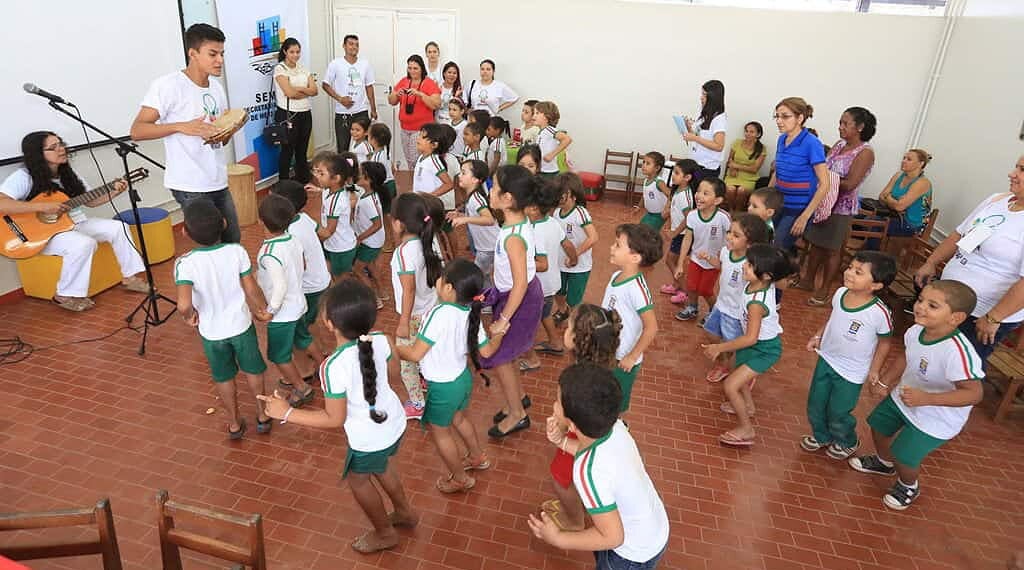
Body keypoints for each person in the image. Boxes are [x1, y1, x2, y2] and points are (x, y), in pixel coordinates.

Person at [258, 280, 416, 552]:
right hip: (393, 421)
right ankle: (404, 512)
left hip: (369, 437)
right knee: (382, 464)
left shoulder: (333, 366)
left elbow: (334, 418)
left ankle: (385, 533)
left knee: (358, 480)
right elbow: (393, 378)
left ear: (329, 323)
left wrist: (287, 413)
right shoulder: (382, 340)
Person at [848, 280, 984, 511]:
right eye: (921, 300)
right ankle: (883, 463)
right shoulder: (916, 331)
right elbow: (907, 357)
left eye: (933, 306)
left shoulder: (957, 352)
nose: (921, 307)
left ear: (956, 318)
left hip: (936, 416)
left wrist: (927, 399)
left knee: (904, 454)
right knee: (878, 427)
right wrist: (885, 381)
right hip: (906, 396)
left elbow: (974, 394)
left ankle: (908, 484)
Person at [527, 363, 670, 570]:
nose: (554, 404)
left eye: (558, 401)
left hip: (629, 556)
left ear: (573, 425)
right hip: (654, 530)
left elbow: (612, 537)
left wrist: (558, 538)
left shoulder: (587, 472)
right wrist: (562, 442)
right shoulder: (616, 427)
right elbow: (595, 452)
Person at [0, 132, 148, 311]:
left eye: (60, 144)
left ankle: (130, 277)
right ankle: (63, 294)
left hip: (73, 223)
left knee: (119, 227)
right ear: (37, 154)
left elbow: (91, 201)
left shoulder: (68, 173)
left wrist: (116, 190)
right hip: (38, 236)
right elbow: (2, 204)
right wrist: (41, 207)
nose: (61, 149)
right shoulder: (24, 176)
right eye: (52, 147)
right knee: (84, 244)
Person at [395, 260, 501, 493]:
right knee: (459, 419)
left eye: (442, 278)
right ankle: (476, 457)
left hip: (442, 387)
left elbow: (414, 354)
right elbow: (486, 351)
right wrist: (499, 334)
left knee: (440, 432)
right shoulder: (470, 313)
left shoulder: (438, 313)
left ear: (449, 288)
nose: (438, 281)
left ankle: (460, 478)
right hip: (461, 380)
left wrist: (393, 348)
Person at [131, 23, 240, 244]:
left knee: (232, 241)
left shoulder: (216, 88)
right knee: (212, 249)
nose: (220, 60)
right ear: (193, 53)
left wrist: (230, 129)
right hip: (190, 186)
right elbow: (137, 130)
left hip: (218, 180)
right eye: (213, 54)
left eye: (222, 54)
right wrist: (181, 126)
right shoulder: (168, 86)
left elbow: (219, 140)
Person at [174, 199, 271, 439]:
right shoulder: (236, 251)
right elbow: (250, 288)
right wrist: (262, 308)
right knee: (253, 370)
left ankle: (234, 423)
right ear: (224, 223)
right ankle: (262, 415)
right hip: (241, 326)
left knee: (223, 376)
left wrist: (189, 317)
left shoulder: (185, 264)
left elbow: (183, 304)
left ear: (185, 232)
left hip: (211, 333)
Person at [914, 156, 1024, 362]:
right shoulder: (997, 200)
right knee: (928, 357)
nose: (1012, 174)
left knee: (958, 368)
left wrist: (994, 317)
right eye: (1016, 167)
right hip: (951, 298)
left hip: (982, 313)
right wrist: (931, 262)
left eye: (1022, 169)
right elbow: (959, 234)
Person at [801, 251, 896, 460]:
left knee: (839, 410)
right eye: (850, 267)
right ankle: (821, 435)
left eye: (858, 272)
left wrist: (874, 370)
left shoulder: (879, 313)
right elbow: (833, 317)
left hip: (852, 371)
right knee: (816, 402)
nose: (849, 273)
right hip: (827, 358)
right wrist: (818, 335)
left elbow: (885, 343)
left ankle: (847, 441)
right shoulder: (840, 293)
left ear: (876, 285)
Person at [703, 244, 797, 446]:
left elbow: (750, 338)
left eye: (750, 265)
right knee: (740, 378)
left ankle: (747, 429)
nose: (744, 266)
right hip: (754, 346)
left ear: (766, 276)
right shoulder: (761, 284)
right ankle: (749, 406)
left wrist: (719, 347)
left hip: (764, 349)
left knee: (730, 385)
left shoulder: (756, 303)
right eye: (747, 262)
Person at [540, 304, 621, 532]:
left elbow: (566, 418)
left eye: (569, 327)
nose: (565, 328)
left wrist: (559, 424)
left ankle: (574, 520)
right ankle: (576, 505)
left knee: (560, 478)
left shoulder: (572, 380)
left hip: (578, 436)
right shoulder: (604, 367)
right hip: (598, 432)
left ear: (578, 339)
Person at [483, 165, 545, 438]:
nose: (489, 190)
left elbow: (519, 283)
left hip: (519, 300)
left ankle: (518, 414)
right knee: (507, 355)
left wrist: (503, 321)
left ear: (507, 199)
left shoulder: (513, 238)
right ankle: (517, 398)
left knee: (499, 356)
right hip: (515, 295)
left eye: (493, 186)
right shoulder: (514, 224)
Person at [801, 107, 878, 306]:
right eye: (840, 122)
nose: (840, 127)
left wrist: (825, 180)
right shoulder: (839, 144)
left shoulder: (865, 152)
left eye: (846, 123)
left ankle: (824, 289)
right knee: (816, 243)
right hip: (824, 201)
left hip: (841, 207)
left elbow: (850, 183)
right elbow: (825, 168)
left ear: (860, 127)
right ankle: (807, 280)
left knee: (832, 250)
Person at [255, 194, 313, 408]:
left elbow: (279, 286)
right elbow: (302, 266)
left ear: (261, 220)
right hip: (299, 304)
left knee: (279, 356)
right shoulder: (292, 239)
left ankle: (301, 387)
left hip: (283, 314)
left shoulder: (269, 253)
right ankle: (320, 370)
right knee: (303, 339)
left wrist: (271, 310)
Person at [390, 193, 443, 419]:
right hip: (431, 310)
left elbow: (408, 289)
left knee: (406, 361)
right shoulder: (430, 240)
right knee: (425, 353)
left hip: (412, 317)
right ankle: (427, 382)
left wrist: (403, 323)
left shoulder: (404, 252)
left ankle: (417, 403)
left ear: (399, 224)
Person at [702, 214, 771, 384]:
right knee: (710, 332)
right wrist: (710, 260)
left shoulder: (750, 264)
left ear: (750, 243)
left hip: (736, 312)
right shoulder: (726, 251)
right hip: (721, 304)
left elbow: (762, 284)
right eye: (729, 232)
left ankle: (739, 373)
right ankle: (723, 362)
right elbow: (722, 264)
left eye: (736, 235)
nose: (729, 237)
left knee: (733, 345)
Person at [270, 181, 328, 379]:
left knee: (300, 331)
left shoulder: (289, 233)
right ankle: (322, 353)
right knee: (311, 322)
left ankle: (307, 370)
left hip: (309, 286)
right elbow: (322, 234)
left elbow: (299, 266)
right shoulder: (303, 218)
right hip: (321, 279)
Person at [602, 223, 663, 412]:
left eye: (618, 245)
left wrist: (631, 356)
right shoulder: (616, 276)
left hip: (623, 359)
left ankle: (617, 430)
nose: (612, 247)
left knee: (616, 404)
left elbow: (651, 327)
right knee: (603, 396)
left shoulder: (637, 289)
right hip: (607, 351)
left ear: (635, 257)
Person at [520, 181, 577, 371]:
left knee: (527, 322)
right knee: (545, 314)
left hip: (539, 285)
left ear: (534, 208)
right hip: (552, 283)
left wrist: (519, 263)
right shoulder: (552, 222)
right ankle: (555, 343)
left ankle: (531, 359)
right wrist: (573, 259)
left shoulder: (535, 231)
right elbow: (567, 244)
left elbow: (542, 265)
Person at [768, 97, 829, 251]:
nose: (779, 121)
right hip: (778, 204)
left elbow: (824, 184)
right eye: (777, 116)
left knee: (778, 247)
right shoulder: (782, 140)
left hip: (798, 209)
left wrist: (805, 216)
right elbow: (778, 172)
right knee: (766, 243)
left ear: (800, 118)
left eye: (785, 116)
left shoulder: (811, 143)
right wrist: (766, 199)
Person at [674, 178, 731, 322]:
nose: (699, 195)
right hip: (696, 259)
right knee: (691, 286)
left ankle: (714, 312)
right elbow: (687, 239)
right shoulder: (692, 216)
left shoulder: (723, 218)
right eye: (698, 191)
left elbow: (733, 238)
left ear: (717, 200)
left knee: (705, 290)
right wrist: (680, 263)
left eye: (705, 193)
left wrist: (726, 258)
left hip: (714, 262)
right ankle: (692, 307)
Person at [553, 173, 599, 323]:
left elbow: (593, 237)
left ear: (573, 194)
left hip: (579, 266)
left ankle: (574, 321)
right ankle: (562, 310)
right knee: (558, 291)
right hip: (559, 263)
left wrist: (575, 255)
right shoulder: (556, 212)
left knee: (574, 300)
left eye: (562, 194)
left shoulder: (580, 213)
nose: (558, 197)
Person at [272, 37, 317, 183]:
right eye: (292, 52)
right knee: (287, 151)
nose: (296, 55)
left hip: (305, 113)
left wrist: (298, 88)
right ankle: (284, 182)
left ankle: (302, 179)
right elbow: (289, 93)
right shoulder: (280, 69)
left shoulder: (303, 68)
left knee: (302, 150)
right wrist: (304, 91)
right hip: (288, 114)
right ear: (285, 51)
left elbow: (315, 90)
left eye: (298, 52)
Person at [322, 34, 377, 153]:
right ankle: (344, 171)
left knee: (365, 147)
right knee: (343, 148)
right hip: (343, 114)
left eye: (357, 45)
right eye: (351, 44)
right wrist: (340, 99)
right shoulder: (335, 64)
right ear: (344, 46)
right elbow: (325, 85)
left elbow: (369, 87)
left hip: (361, 112)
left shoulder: (365, 64)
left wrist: (373, 109)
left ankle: (363, 171)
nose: (354, 47)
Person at [448, 160, 499, 287]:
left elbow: (489, 219)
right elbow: (476, 217)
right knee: (483, 276)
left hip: (489, 247)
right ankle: (487, 303)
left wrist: (465, 219)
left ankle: (480, 302)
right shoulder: (472, 197)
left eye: (464, 173)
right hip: (486, 246)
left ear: (476, 179)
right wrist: (460, 215)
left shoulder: (476, 198)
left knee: (477, 276)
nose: (459, 175)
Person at [309, 152, 358, 280]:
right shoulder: (332, 190)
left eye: (321, 174)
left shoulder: (335, 202)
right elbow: (326, 191)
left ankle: (344, 298)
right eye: (316, 172)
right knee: (332, 274)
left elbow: (327, 232)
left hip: (340, 248)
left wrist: (309, 224)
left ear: (336, 178)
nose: (317, 177)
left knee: (341, 280)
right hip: (336, 245)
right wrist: (319, 190)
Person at [388, 55, 442, 170]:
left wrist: (420, 94)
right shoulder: (404, 81)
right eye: (410, 68)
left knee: (415, 160)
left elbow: (436, 104)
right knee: (409, 159)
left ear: (421, 68)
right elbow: (391, 101)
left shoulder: (429, 83)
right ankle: (414, 181)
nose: (412, 71)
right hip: (405, 128)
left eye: (415, 68)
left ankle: (417, 182)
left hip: (420, 129)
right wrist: (396, 94)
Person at [660, 159, 699, 306]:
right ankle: (676, 285)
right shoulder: (677, 190)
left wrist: (675, 233)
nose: (673, 176)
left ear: (687, 178)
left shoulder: (686, 196)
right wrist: (669, 224)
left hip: (684, 235)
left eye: (677, 173)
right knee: (672, 261)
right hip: (678, 233)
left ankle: (684, 291)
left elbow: (688, 219)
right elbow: (674, 211)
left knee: (670, 260)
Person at [875, 149, 934, 237]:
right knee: (860, 216)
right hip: (893, 216)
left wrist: (889, 197)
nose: (904, 161)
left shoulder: (923, 183)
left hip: (911, 225)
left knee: (874, 223)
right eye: (904, 158)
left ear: (920, 164)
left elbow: (899, 206)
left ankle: (870, 250)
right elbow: (881, 197)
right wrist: (894, 202)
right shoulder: (898, 175)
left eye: (909, 159)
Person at [353, 162, 389, 308]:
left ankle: (375, 299)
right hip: (375, 241)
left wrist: (359, 238)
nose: (357, 175)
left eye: (361, 173)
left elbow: (377, 224)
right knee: (372, 267)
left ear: (368, 180)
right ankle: (383, 293)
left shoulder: (368, 201)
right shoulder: (369, 194)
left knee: (357, 269)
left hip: (370, 242)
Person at [683, 80, 727, 183]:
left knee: (699, 196)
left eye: (704, 94)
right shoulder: (705, 113)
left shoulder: (719, 118)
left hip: (706, 168)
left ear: (713, 97)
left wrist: (695, 138)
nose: (701, 97)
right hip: (695, 164)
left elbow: (719, 146)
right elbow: (699, 135)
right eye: (701, 93)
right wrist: (689, 128)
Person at [412, 123, 456, 214]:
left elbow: (449, 184)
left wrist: (430, 196)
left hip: (429, 206)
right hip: (420, 203)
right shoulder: (421, 158)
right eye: (419, 135)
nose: (418, 138)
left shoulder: (434, 161)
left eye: (423, 137)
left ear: (434, 145)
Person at [723, 121, 766, 211]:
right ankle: (731, 210)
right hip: (733, 176)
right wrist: (732, 167)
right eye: (746, 131)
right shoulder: (737, 143)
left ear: (758, 134)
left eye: (751, 132)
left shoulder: (761, 148)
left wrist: (736, 166)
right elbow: (730, 160)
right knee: (730, 190)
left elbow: (754, 169)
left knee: (741, 191)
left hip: (749, 179)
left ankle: (738, 211)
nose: (747, 134)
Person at [534, 101, 572, 179]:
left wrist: (552, 155)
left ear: (546, 116)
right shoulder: (542, 132)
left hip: (549, 173)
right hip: (541, 171)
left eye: (537, 113)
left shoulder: (549, 130)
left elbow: (567, 139)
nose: (533, 116)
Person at [636, 151, 672, 230]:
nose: (643, 166)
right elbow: (644, 195)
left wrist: (667, 210)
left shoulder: (659, 182)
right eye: (643, 162)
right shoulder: (646, 180)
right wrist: (638, 207)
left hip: (659, 215)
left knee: (647, 233)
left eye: (648, 163)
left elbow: (671, 195)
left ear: (657, 168)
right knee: (640, 229)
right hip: (649, 213)